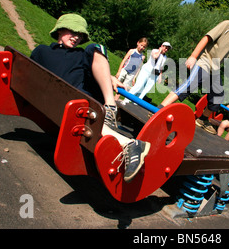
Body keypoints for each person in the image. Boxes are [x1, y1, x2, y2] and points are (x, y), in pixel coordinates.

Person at [30, 13, 150, 183]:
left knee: (94, 48)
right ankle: (129, 144)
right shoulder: (42, 51)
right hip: (62, 100)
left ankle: (110, 107)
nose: (76, 37)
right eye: (72, 31)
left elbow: (94, 66)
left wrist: (110, 77)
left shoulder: (81, 54)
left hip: (81, 97)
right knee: (76, 106)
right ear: (59, 30)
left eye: (79, 35)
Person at [158, 6, 229, 134]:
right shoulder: (228, 25)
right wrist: (193, 56)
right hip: (205, 62)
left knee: (218, 96)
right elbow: (207, 38)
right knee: (189, 85)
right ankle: (159, 109)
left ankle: (202, 119)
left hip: (215, 70)